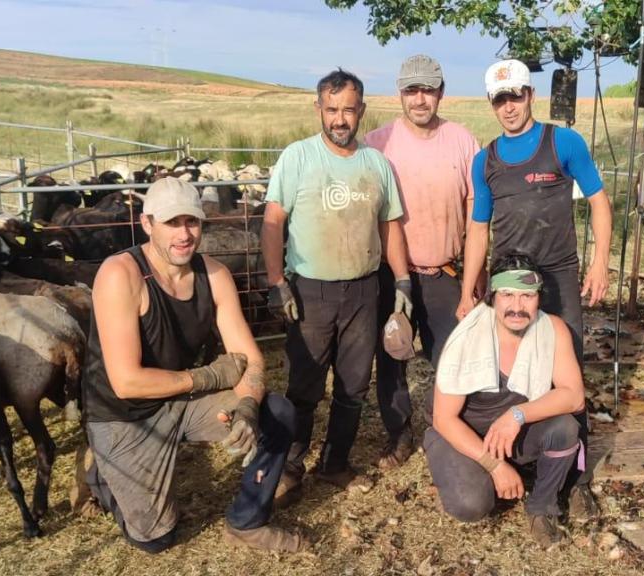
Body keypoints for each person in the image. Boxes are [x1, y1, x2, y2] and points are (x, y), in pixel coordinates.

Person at [81, 177, 303, 554]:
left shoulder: (213, 274)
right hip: (126, 415)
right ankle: (100, 472)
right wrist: (210, 376)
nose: (184, 234)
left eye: (192, 222)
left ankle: (247, 522)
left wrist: (248, 406)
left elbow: (248, 359)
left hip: (183, 402)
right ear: (147, 224)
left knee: (277, 413)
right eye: (172, 223)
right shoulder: (121, 275)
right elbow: (126, 382)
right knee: (155, 539)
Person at [456, 59, 613, 519]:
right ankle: (521, 456)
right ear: (491, 103)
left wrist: (600, 263)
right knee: (510, 371)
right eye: (500, 99)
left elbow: (600, 204)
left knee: (569, 374)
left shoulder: (563, 142)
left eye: (516, 95)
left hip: (559, 275)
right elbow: (478, 229)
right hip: (510, 284)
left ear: (530, 94)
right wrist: (469, 290)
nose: (509, 107)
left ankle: (577, 479)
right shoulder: (485, 160)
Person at [261, 69, 410, 500]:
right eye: (331, 110)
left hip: (364, 290)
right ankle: (289, 464)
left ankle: (335, 462)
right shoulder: (298, 158)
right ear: (318, 110)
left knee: (354, 384)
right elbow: (274, 222)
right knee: (305, 383)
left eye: (348, 109)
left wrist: (401, 282)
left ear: (361, 110)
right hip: (311, 291)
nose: (340, 119)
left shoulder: (376, 164)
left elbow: (390, 227)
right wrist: (277, 282)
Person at [363, 54, 481, 469]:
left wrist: (475, 272)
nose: (419, 99)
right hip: (389, 275)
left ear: (441, 93)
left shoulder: (463, 141)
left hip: (443, 270)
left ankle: (443, 425)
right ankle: (399, 433)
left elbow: (475, 209)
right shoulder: (376, 143)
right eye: (411, 90)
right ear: (400, 93)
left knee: (453, 357)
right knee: (392, 355)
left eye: (427, 89)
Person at [425, 254, 585, 547]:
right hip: (462, 433)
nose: (517, 307)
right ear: (492, 297)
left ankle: (541, 507)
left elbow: (574, 397)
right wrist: (494, 465)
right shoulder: (467, 338)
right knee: (471, 504)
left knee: (565, 428)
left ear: (539, 298)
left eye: (527, 296)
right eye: (508, 295)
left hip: (512, 430)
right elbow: (444, 419)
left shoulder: (552, 329)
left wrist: (517, 415)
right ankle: (469, 474)